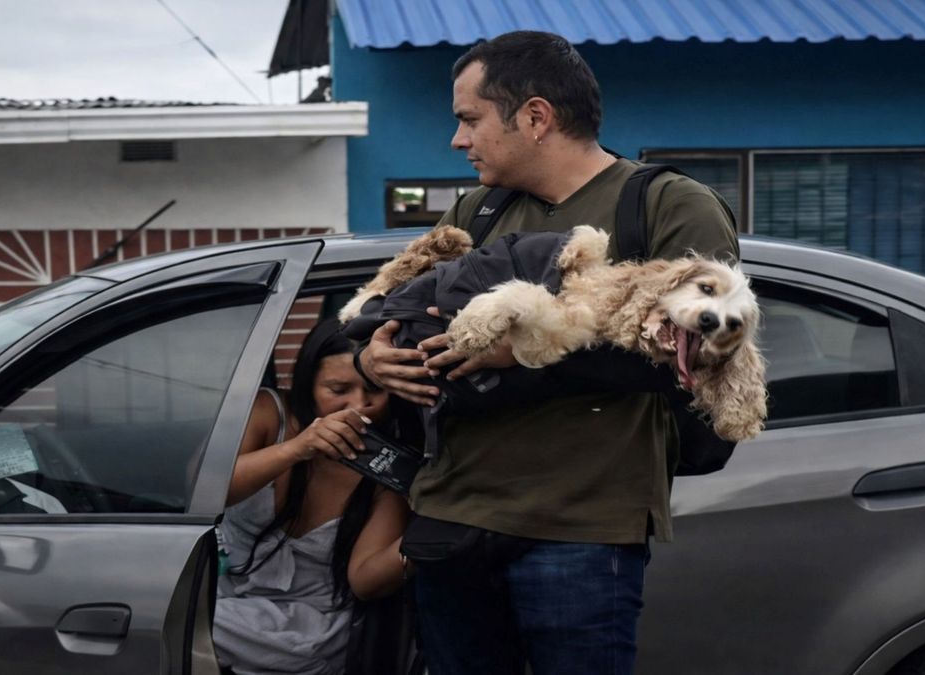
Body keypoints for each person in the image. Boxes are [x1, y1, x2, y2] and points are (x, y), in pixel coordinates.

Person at [356, 31, 740, 675]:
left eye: (469, 119)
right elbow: (415, 307)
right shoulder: (478, 209)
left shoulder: (665, 205)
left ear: (535, 117)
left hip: (581, 526)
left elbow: (708, 348)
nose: (458, 140)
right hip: (452, 512)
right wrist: (377, 354)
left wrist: (527, 351)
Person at [215, 318, 409, 675]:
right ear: (307, 383)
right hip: (224, 601)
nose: (358, 405)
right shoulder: (268, 413)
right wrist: (297, 448)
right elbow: (209, 489)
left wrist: (436, 528)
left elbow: (365, 579)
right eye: (338, 390)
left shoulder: (387, 465)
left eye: (375, 391)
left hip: (312, 626)